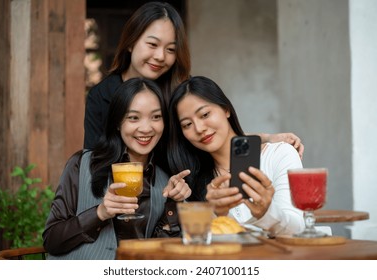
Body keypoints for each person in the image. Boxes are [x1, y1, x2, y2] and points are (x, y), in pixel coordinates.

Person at [83, 2, 304, 157]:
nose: (160, 56)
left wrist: (266, 139)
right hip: (123, 203)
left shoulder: (181, 90)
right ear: (131, 43)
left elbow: (216, 140)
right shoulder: (101, 95)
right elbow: (92, 160)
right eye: (152, 45)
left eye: (170, 49)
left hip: (181, 200)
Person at [43, 78, 191, 260]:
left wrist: (173, 204)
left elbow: (160, 255)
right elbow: (51, 240)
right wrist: (100, 213)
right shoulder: (81, 164)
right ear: (118, 122)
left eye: (156, 117)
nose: (146, 128)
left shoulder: (164, 179)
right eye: (133, 117)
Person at [167, 76, 305, 237]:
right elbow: (202, 245)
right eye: (187, 125)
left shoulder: (280, 154)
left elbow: (297, 229)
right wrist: (218, 214)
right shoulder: (192, 180)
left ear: (226, 109)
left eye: (204, 114)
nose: (199, 128)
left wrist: (266, 212)